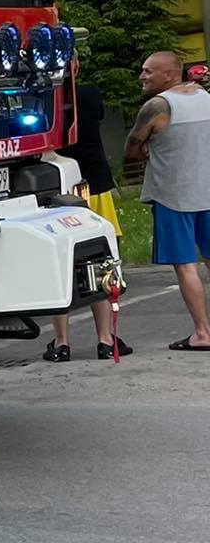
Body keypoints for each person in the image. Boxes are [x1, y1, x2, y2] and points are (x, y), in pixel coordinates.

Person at [123, 50, 210, 351]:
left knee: (186, 266)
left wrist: (148, 148)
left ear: (169, 74)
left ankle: (202, 333)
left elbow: (131, 149)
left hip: (173, 196)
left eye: (148, 71)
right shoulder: (203, 96)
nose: (142, 76)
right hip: (207, 191)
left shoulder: (158, 106)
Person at [45, 80, 131, 361]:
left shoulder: (40, 96)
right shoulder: (89, 94)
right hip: (94, 184)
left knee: (57, 267)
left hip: (57, 187)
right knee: (102, 262)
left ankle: (61, 343)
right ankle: (106, 340)